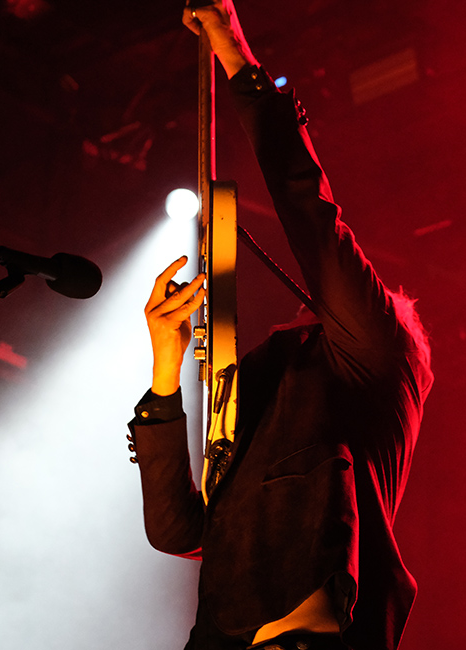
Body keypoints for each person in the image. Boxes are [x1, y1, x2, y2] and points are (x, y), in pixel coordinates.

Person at [127, 2, 433, 648]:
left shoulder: (376, 354)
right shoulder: (270, 387)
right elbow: (182, 532)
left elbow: (307, 211)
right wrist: (165, 370)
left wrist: (236, 56)